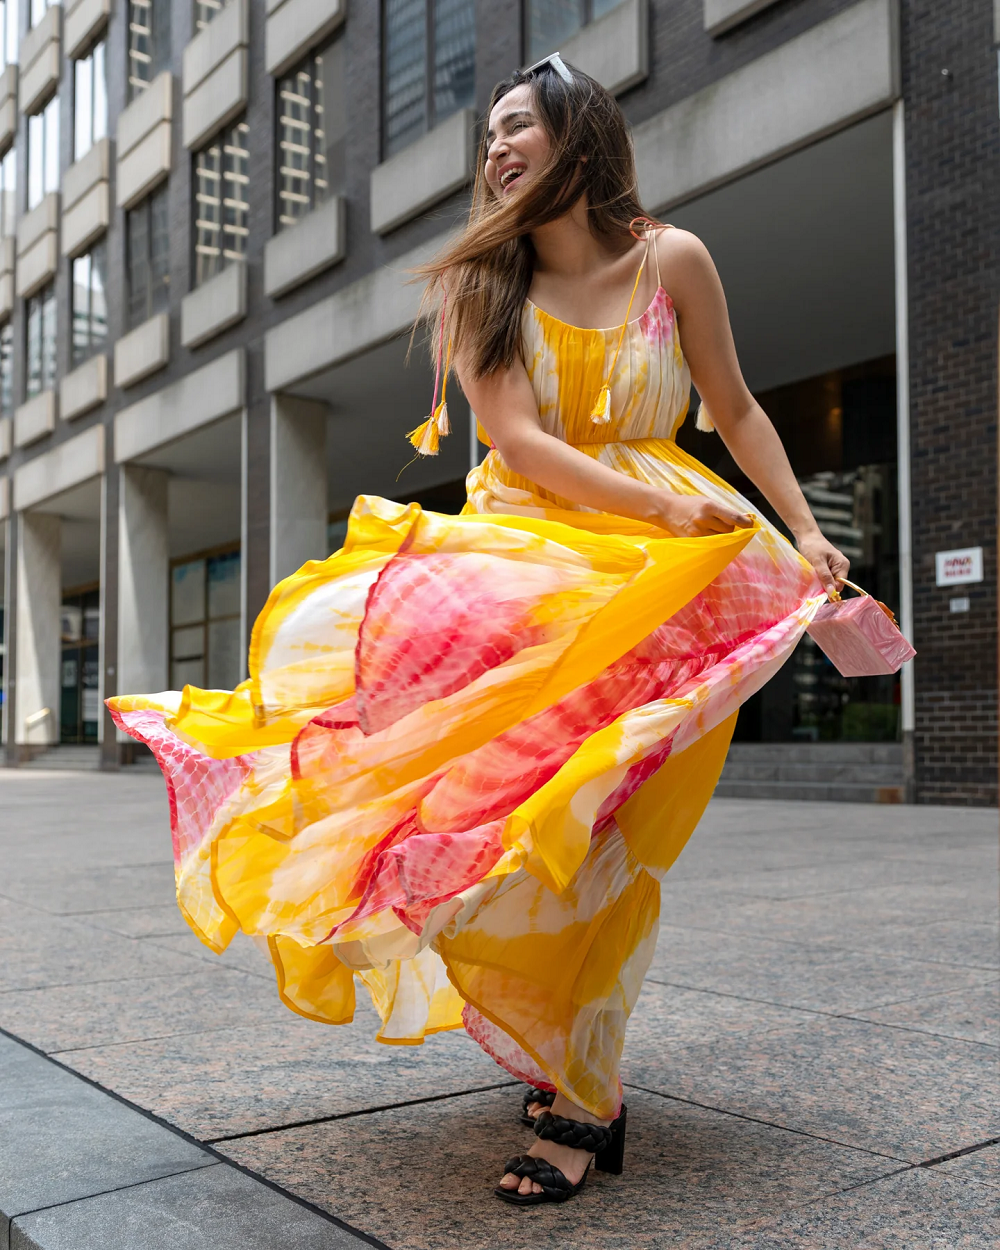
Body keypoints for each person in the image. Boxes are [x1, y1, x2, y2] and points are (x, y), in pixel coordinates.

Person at [108, 55, 848, 1209]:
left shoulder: (675, 258)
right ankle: (570, 1054)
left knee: (606, 834)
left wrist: (802, 531)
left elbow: (737, 406)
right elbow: (515, 439)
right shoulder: (485, 283)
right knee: (509, 834)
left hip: (671, 583)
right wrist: (657, 501)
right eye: (488, 132)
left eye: (518, 125)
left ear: (580, 134)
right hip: (531, 570)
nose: (495, 147)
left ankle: (579, 1091)